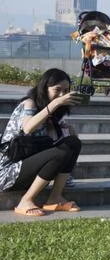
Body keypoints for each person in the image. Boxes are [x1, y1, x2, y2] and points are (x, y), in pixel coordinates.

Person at [0, 68, 83, 216]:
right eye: (57, 90)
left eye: (65, 91)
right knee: (59, 152)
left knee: (73, 143)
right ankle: (25, 201)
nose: (62, 95)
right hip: (9, 171)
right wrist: (54, 104)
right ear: (44, 88)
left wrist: (67, 130)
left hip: (29, 168)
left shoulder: (53, 115)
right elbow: (27, 128)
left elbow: (51, 146)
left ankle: (55, 198)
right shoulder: (29, 104)